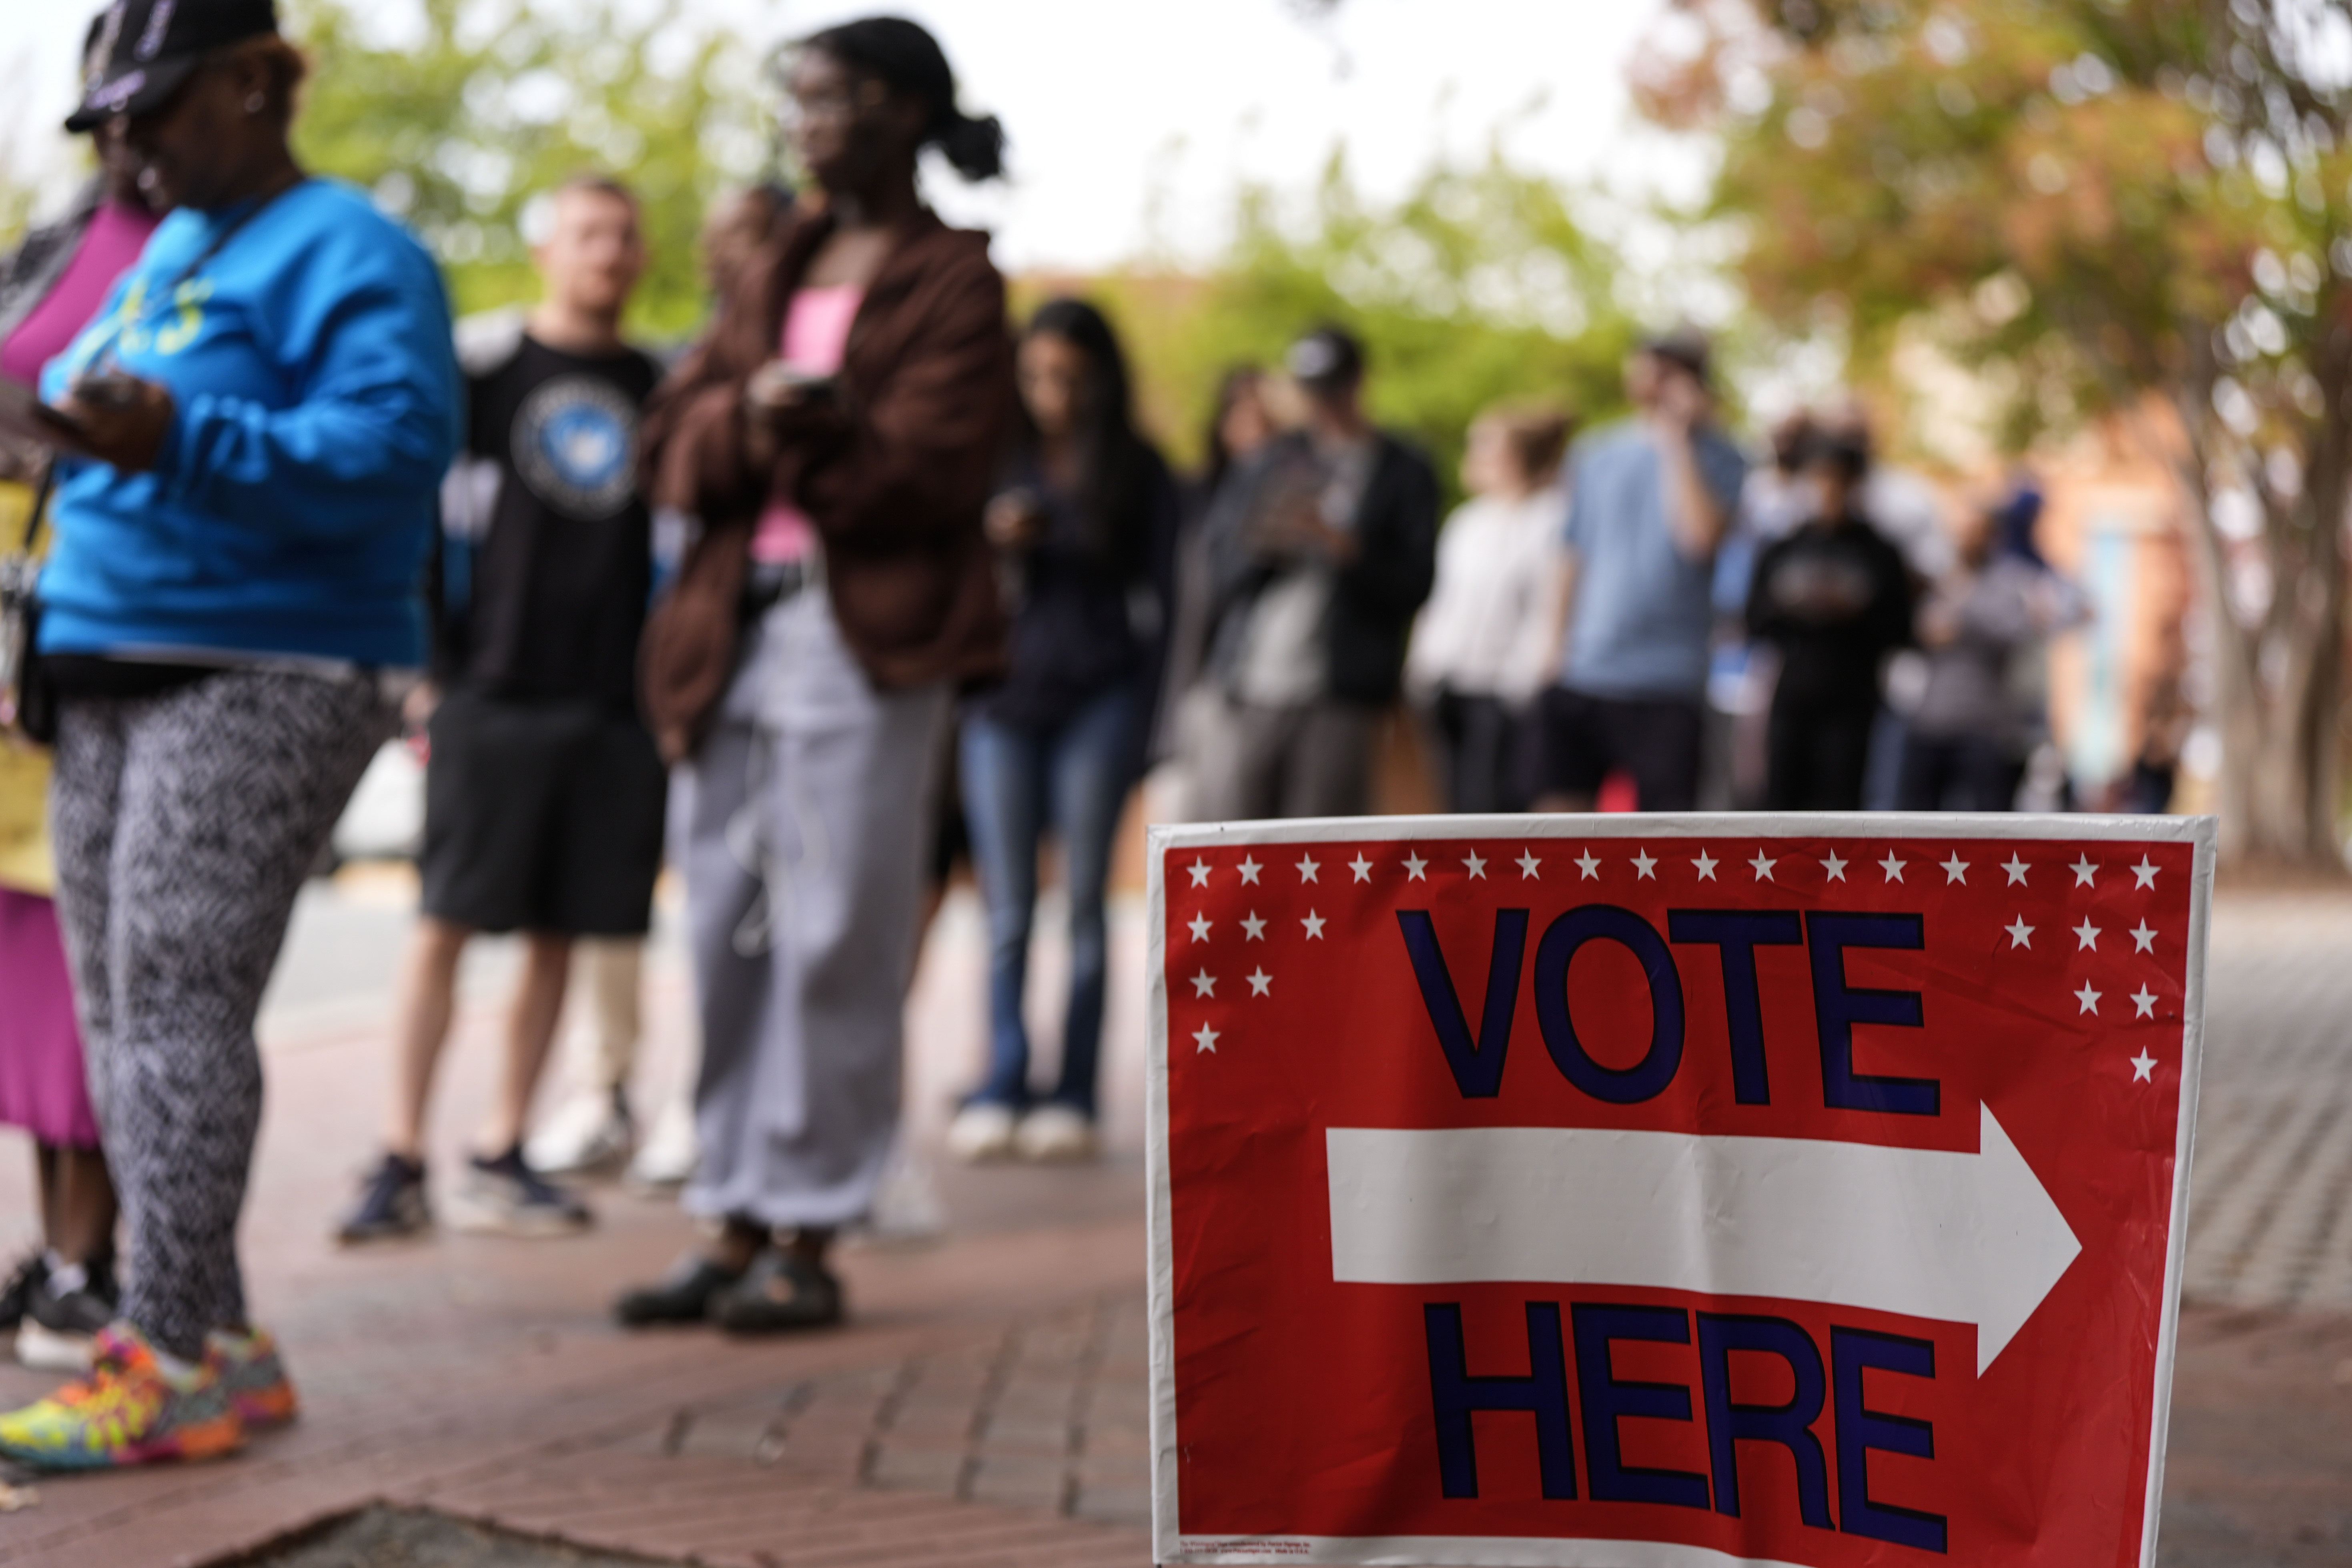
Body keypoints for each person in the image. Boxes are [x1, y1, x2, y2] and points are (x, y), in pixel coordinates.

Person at [0, 0, 459, 1468]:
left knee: (182, 1002)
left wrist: (181, 437)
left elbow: (399, 450)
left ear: (257, 84)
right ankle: (226, 1332)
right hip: (109, 659)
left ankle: (171, 1353)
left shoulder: (349, 247)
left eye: (153, 107)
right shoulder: (180, 247)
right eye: (107, 123)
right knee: (126, 1016)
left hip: (267, 664)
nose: (125, 142)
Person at [615, 15, 1014, 1333]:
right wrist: (747, 418)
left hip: (866, 636)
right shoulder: (771, 258)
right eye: (794, 102)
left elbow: (936, 470)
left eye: (826, 101)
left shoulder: (955, 277)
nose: (801, 125)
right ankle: (728, 1208)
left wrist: (824, 428)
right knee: (722, 913)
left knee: (839, 926)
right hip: (732, 625)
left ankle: (812, 1222)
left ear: (899, 111)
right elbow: (671, 436)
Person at [333, 175, 666, 1243]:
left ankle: (504, 1146)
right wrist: (426, 672)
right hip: (491, 689)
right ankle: (399, 1153)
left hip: (612, 702)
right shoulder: (482, 370)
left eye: (621, 235)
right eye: (586, 232)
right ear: (548, 250)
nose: (605, 252)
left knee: (563, 930)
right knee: (445, 921)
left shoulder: (660, 389)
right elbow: (412, 514)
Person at [529, 181, 795, 1193]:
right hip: (661, 668)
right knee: (634, 891)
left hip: (763, 652)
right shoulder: (682, 370)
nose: (734, 255)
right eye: (722, 236)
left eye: (757, 238)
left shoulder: (774, 355)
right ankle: (604, 1087)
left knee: (742, 894)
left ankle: (711, 1096)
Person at [0, 20, 163, 1373]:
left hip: (95, 642)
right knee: (24, 952)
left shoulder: (211, 255)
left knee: (88, 951)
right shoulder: (56, 237)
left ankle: (87, 1260)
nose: (127, 137)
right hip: (9, 632)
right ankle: (51, 1252)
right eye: (105, 112)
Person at [944, 298, 1177, 1164]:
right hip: (998, 703)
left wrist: (1151, 728)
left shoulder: (1139, 469)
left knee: (1085, 907)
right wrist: (995, 540)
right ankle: (1002, 1078)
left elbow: (1167, 606)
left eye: (1070, 380)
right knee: (1006, 910)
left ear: (1100, 380)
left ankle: (1074, 1091)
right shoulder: (993, 459)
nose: (1052, 394)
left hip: (1099, 701)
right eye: (1038, 376)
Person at [1190, 326, 1438, 820]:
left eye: (1333, 387)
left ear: (1358, 382)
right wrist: (1271, 541)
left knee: (1318, 853)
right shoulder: (1272, 460)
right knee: (1237, 846)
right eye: (1312, 390)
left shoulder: (1403, 469)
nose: (1323, 403)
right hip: (1249, 683)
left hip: (1341, 694)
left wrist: (1346, 550)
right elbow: (1218, 565)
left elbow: (1417, 583)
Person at [1534, 329, 1746, 812]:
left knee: (1662, 836)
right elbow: (1572, 554)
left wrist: (1678, 443)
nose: (1651, 381)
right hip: (1584, 670)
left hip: (1668, 678)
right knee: (1555, 823)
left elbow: (1700, 538)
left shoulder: (1726, 456)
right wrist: (1553, 648)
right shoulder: (1596, 452)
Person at [1404, 402, 1572, 814]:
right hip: (1448, 685)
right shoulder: (1466, 522)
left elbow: (1549, 611)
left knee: (1490, 805)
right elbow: (1441, 602)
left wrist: (1526, 681)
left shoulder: (1551, 522)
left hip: (1504, 694)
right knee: (1449, 802)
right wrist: (1421, 665)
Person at [1744, 431, 1913, 810]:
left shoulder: (1879, 553)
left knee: (1840, 804)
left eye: (1839, 479)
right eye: (1820, 477)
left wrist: (1853, 610)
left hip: (1852, 695)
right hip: (1793, 691)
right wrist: (1794, 606)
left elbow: (1901, 630)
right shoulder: (1783, 548)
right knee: (1780, 802)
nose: (1828, 490)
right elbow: (1752, 622)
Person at [1895, 491, 2086, 812]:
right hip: (1932, 720)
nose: (1965, 539)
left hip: (1987, 727)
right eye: (1961, 530)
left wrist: (1965, 618)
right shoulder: (1938, 580)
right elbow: (1917, 631)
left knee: (1988, 822)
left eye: (1975, 531)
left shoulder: (2012, 580)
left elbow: (2026, 626)